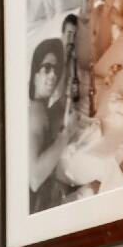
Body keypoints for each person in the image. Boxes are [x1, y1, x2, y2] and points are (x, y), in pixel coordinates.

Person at [26, 38, 73, 211]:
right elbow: (35, 178)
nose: (53, 75)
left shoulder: (44, 107)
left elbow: (60, 105)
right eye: (47, 68)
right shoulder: (36, 113)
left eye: (56, 69)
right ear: (35, 73)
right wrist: (66, 135)